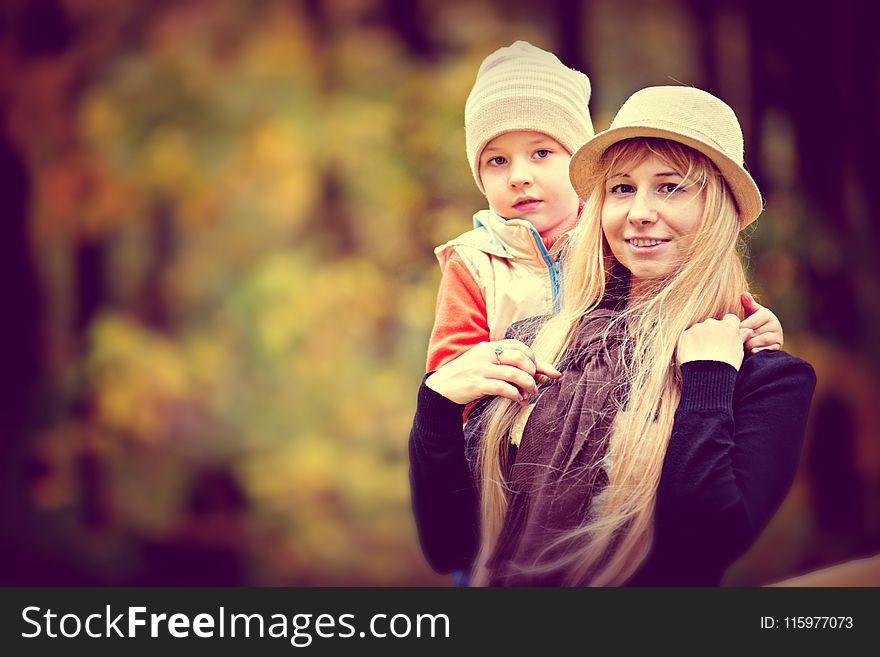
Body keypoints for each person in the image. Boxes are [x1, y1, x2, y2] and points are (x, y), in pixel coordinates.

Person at [409, 86, 816, 586]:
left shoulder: (764, 377)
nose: (640, 211)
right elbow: (450, 544)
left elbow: (708, 541)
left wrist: (707, 380)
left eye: (671, 187)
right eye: (622, 188)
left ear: (720, 209)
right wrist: (437, 407)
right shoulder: (539, 343)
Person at [426, 41, 783, 377]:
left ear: (579, 162)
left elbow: (687, 296)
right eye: (497, 160)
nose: (519, 177)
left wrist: (751, 327)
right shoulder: (473, 261)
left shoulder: (616, 237)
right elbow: (450, 373)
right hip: (507, 420)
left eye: (541, 153)